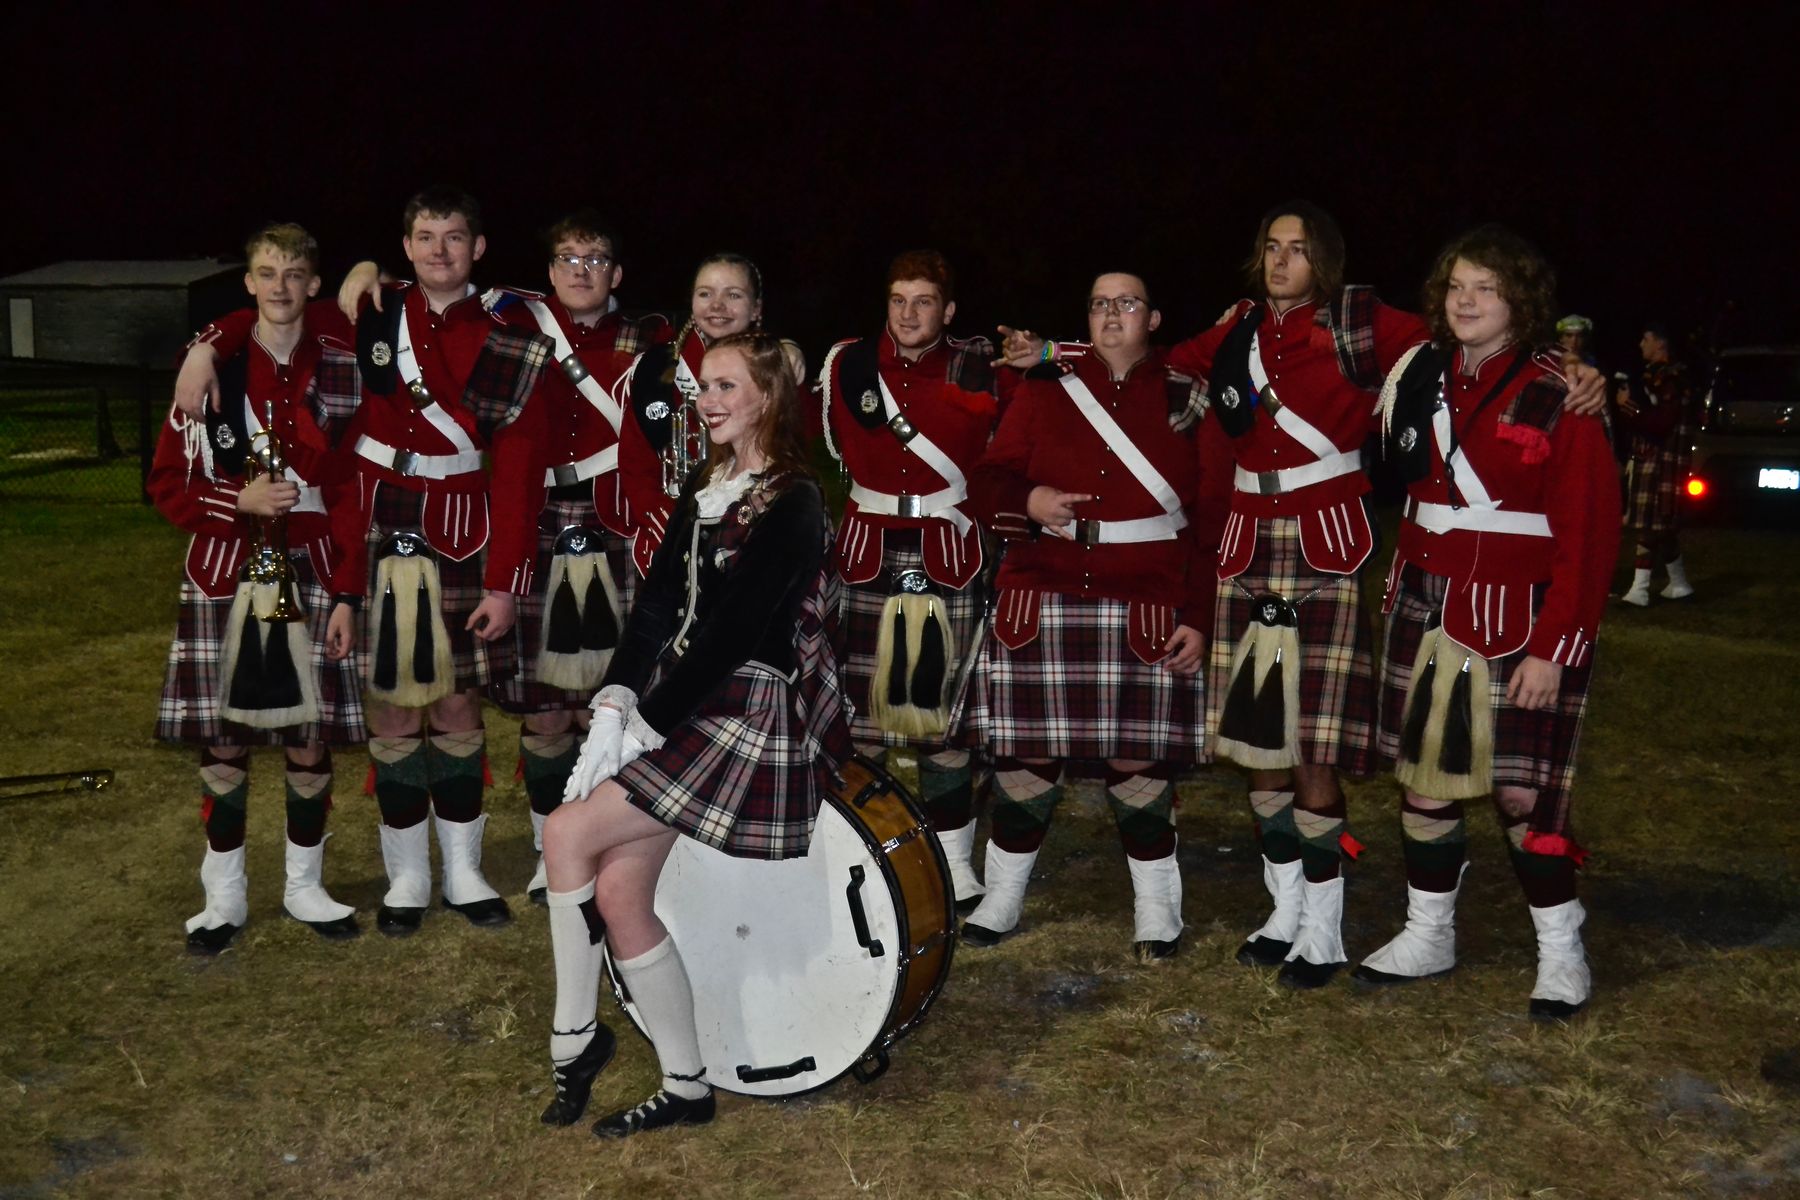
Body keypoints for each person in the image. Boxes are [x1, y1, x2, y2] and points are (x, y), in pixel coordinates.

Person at [998, 201, 1606, 988]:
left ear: (1326, 258)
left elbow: (1574, 516)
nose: (1283, 260)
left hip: (1334, 550)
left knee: (1350, 755)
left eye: (1299, 248)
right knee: (1263, 747)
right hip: (1259, 551)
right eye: (1272, 247)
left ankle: (1336, 927)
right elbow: (1153, 353)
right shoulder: (1240, 331)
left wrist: (1578, 371)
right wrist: (1054, 348)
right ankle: (1288, 911)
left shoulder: (1367, 325)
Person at [176, 187, 553, 934]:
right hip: (379, 522)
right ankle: (407, 877)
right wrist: (203, 346)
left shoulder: (508, 329)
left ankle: (466, 871)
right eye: (423, 236)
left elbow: (517, 467)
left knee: (454, 703)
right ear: (406, 245)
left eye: (454, 237)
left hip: (461, 527)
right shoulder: (368, 309)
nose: (438, 250)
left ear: (478, 248)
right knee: (389, 704)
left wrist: (506, 581)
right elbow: (270, 311)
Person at [538, 332, 852, 1138]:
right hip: (689, 703)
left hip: (745, 709)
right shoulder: (707, 484)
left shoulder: (794, 499)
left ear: (768, 399)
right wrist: (615, 695)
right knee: (616, 891)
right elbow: (654, 609)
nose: (707, 401)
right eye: (703, 387)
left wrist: (649, 718)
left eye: (725, 386)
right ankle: (686, 1085)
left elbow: (738, 632)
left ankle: (574, 1039)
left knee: (569, 833)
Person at [1354, 226, 1619, 1019]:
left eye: (1486, 289)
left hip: (1517, 621)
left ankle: (1560, 950)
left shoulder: (1559, 391)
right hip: (1421, 605)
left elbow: (1590, 536)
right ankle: (1429, 934)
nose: (1466, 302)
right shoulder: (1419, 371)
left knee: (1518, 795)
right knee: (1425, 785)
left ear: (1520, 302)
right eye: (1456, 286)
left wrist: (1554, 651)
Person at [949, 272, 1220, 960]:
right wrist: (1031, 501)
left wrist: (1200, 614)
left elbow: (1212, 517)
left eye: (1126, 303)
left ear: (1153, 318)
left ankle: (1157, 905)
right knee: (1027, 755)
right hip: (1043, 591)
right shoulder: (1044, 389)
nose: (1111, 315)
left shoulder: (1186, 399)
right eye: (1098, 303)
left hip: (1145, 599)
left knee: (1138, 759)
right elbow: (989, 479)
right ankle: (1006, 895)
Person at [149, 222, 364, 952]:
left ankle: (305, 887)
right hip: (224, 568)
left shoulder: (337, 358)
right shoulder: (209, 368)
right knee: (224, 742)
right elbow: (166, 483)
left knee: (309, 738)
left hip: (308, 563)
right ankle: (225, 896)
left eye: (294, 274)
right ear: (248, 282)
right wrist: (234, 503)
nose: (279, 286)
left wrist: (345, 590)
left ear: (313, 283)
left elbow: (350, 483)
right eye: (266, 273)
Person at [481, 210, 672, 902]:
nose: (581, 270)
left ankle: (607, 844)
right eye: (567, 259)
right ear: (550, 272)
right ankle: (547, 845)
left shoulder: (651, 338)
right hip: (541, 526)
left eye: (595, 259)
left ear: (616, 274)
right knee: (546, 712)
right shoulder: (517, 333)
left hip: (619, 527)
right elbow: (422, 294)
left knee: (612, 708)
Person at [818, 250, 1015, 912]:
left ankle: (954, 864)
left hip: (947, 552)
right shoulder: (846, 366)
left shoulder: (981, 368)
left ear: (949, 310)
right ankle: (867, 850)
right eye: (898, 300)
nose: (908, 314)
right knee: (862, 722)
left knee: (941, 726)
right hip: (867, 549)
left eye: (924, 302)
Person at [616, 254, 806, 578]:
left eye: (733, 295)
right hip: (668, 543)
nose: (717, 305)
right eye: (705, 294)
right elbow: (635, 464)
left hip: (757, 542)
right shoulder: (655, 368)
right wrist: (678, 528)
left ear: (757, 307)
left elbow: (796, 457)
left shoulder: (781, 368)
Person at [1615, 322, 1701, 605]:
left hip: (1662, 459)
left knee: (1650, 525)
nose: (1641, 345)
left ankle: (1639, 591)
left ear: (1660, 344)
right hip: (1658, 458)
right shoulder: (1661, 376)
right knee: (1661, 525)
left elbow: (1660, 423)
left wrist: (1629, 407)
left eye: (1646, 339)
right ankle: (1679, 584)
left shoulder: (1672, 378)